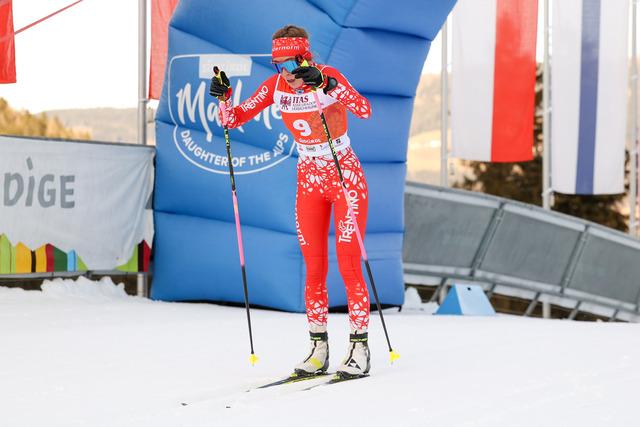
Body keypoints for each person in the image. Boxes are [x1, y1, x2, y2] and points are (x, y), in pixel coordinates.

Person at [209, 24, 372, 378]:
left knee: (348, 265)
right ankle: (318, 348)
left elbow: (364, 109)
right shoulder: (275, 87)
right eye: (278, 65)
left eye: (290, 64)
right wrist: (223, 97)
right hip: (308, 179)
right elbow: (231, 120)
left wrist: (329, 85)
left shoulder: (326, 76)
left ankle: (359, 347)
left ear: (305, 58)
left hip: (344, 175)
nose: (285, 72)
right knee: (314, 268)